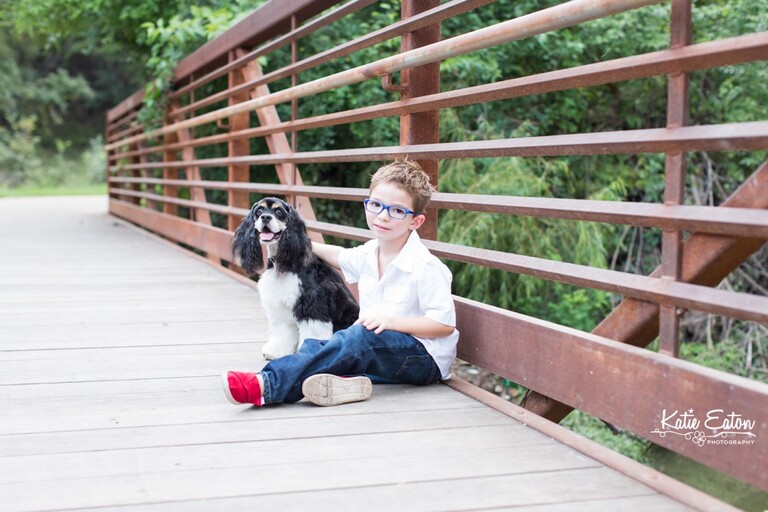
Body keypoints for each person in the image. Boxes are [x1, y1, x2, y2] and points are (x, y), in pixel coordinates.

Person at [222, 159, 459, 407]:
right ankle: (344, 381)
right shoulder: (369, 253)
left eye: (397, 211)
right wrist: (292, 243)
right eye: (376, 205)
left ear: (415, 221)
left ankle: (264, 385)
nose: (383, 216)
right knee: (321, 344)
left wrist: (391, 322)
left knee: (358, 338)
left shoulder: (426, 266)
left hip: (421, 359)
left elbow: (443, 325)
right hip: (379, 353)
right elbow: (336, 255)